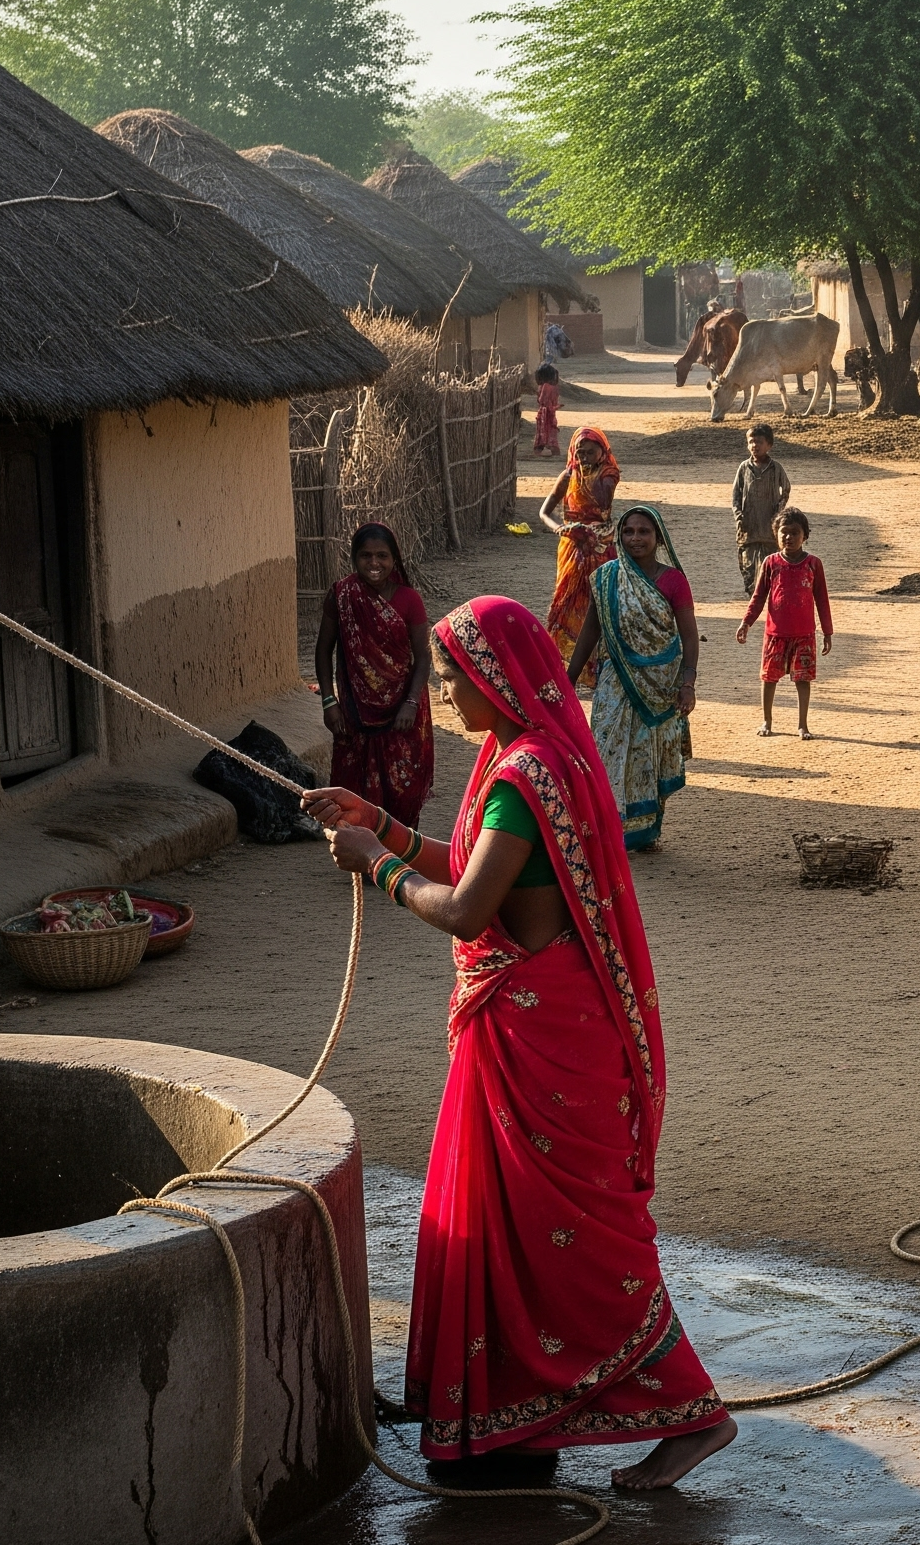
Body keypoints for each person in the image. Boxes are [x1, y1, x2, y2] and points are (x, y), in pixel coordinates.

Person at [303, 597, 736, 1490]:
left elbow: (465, 907)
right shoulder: (522, 760)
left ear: (496, 678)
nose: (443, 691)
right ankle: (508, 1417)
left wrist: (372, 865)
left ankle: (692, 1415)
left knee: (574, 1234)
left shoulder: (523, 777)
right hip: (532, 1019)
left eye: (453, 675)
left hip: (546, 1035)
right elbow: (469, 864)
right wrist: (377, 823)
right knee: (523, 1231)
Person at [567, 505, 698, 850]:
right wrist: (568, 679)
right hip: (616, 678)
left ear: (658, 538)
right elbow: (590, 632)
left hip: (662, 685)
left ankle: (645, 832)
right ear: (619, 537)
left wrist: (688, 684)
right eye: (628, 532)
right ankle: (610, 830)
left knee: (650, 754)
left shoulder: (673, 581)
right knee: (608, 747)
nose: (636, 538)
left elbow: (688, 637)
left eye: (644, 532)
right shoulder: (606, 577)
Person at [313, 523, 433, 828]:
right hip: (354, 712)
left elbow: (423, 658)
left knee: (404, 789)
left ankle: (399, 858)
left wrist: (410, 702)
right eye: (366, 556)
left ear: (394, 560)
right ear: (355, 558)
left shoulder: (409, 600)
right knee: (355, 789)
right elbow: (323, 651)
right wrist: (329, 701)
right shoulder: (341, 596)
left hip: (403, 712)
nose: (374, 563)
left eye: (382, 555)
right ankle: (361, 858)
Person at [735, 507, 832, 739]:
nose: (788, 537)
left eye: (794, 533)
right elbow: (758, 597)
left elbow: (822, 599)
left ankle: (802, 725)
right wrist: (746, 622)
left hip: (804, 635)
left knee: (803, 679)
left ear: (805, 536)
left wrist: (827, 632)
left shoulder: (813, 564)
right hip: (775, 634)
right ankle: (767, 721)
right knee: (769, 678)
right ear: (776, 535)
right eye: (783, 532)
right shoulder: (771, 563)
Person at [542, 426, 621, 669]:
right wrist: (561, 528)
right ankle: (566, 660)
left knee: (601, 600)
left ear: (603, 452)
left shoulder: (609, 475)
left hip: (600, 546)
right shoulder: (567, 477)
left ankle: (600, 661)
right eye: (580, 453)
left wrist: (590, 474)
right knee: (568, 601)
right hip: (572, 547)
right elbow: (545, 512)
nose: (584, 458)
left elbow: (602, 499)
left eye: (590, 452)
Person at [730, 423, 791, 595]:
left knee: (772, 560)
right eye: (751, 442)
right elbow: (735, 494)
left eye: (759, 442)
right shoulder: (743, 468)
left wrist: (778, 512)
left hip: (769, 525)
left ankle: (771, 591)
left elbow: (786, 489)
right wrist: (738, 515)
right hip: (748, 525)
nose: (754, 446)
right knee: (747, 561)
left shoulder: (776, 468)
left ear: (769, 445)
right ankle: (751, 592)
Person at [532, 363, 563, 458]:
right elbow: (546, 401)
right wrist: (555, 407)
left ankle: (539, 450)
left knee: (542, 431)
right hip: (549, 413)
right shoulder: (551, 387)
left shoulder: (545, 386)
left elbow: (541, 400)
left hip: (546, 413)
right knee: (550, 430)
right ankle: (553, 449)